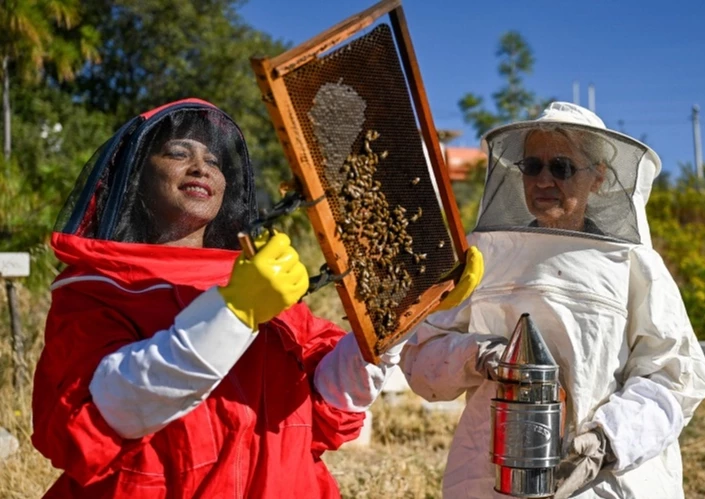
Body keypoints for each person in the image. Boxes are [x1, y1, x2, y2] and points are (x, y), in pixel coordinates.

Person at [30, 98, 483, 498]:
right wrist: (234, 312)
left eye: (213, 160)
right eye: (177, 153)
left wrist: (396, 316)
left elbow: (330, 405)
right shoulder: (97, 290)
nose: (201, 167)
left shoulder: (264, 285)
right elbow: (108, 412)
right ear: (135, 181)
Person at [400, 102, 705, 499]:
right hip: (490, 476)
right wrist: (476, 355)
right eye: (532, 166)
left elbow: (674, 377)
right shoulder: (482, 258)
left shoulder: (634, 264)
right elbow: (421, 358)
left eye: (561, 167)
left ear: (597, 177)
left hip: (601, 483)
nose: (544, 179)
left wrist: (606, 443)